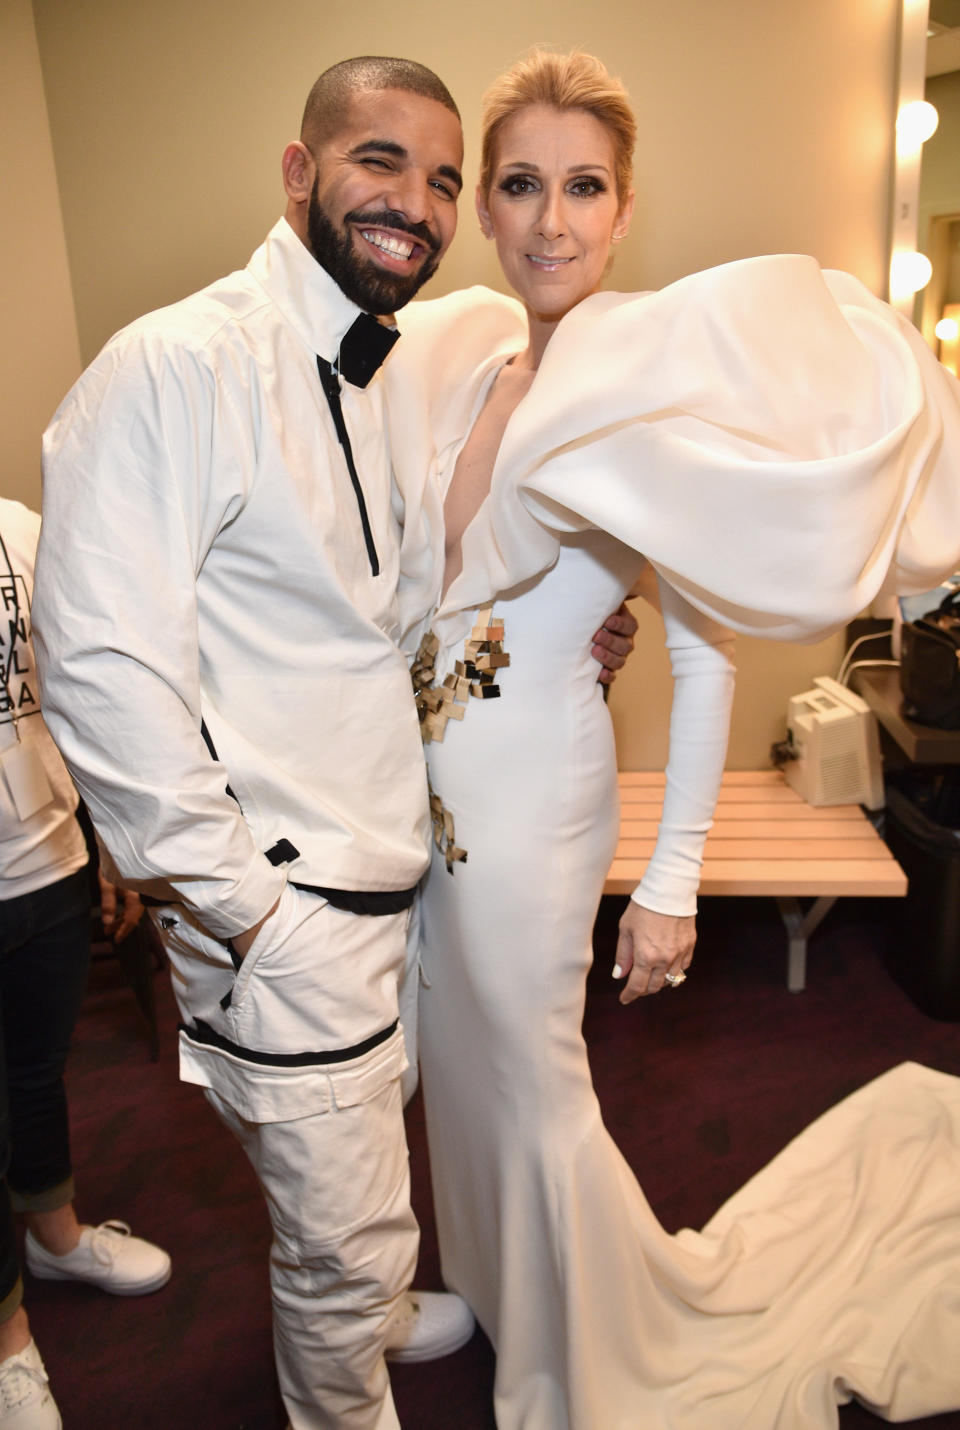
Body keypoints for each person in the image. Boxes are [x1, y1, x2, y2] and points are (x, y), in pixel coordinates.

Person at [30, 55, 632, 1430]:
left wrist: (571, 624)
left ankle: (369, 1291)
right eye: (379, 163)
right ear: (299, 171)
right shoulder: (177, 365)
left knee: (362, 1170)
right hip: (285, 904)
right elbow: (106, 669)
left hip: (385, 872)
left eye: (436, 177)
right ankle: (343, 1367)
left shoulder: (379, 365)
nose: (412, 203)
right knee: (337, 1227)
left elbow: (386, 608)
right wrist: (249, 914)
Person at [382, 50, 960, 1429]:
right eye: (520, 184)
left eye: (584, 187)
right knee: (459, 1068)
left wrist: (673, 880)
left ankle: (574, 1354)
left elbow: (707, 659)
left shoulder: (656, 388)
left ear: (625, 206)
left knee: (532, 1075)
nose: (550, 221)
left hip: (537, 805)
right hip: (426, 802)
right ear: (485, 206)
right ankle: (496, 1284)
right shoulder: (462, 364)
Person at [0, 498, 170, 1430]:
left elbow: (74, 697)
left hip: (47, 865)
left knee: (35, 1074)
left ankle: (56, 1237)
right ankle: (9, 1345)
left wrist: (108, 847)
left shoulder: (23, 529)